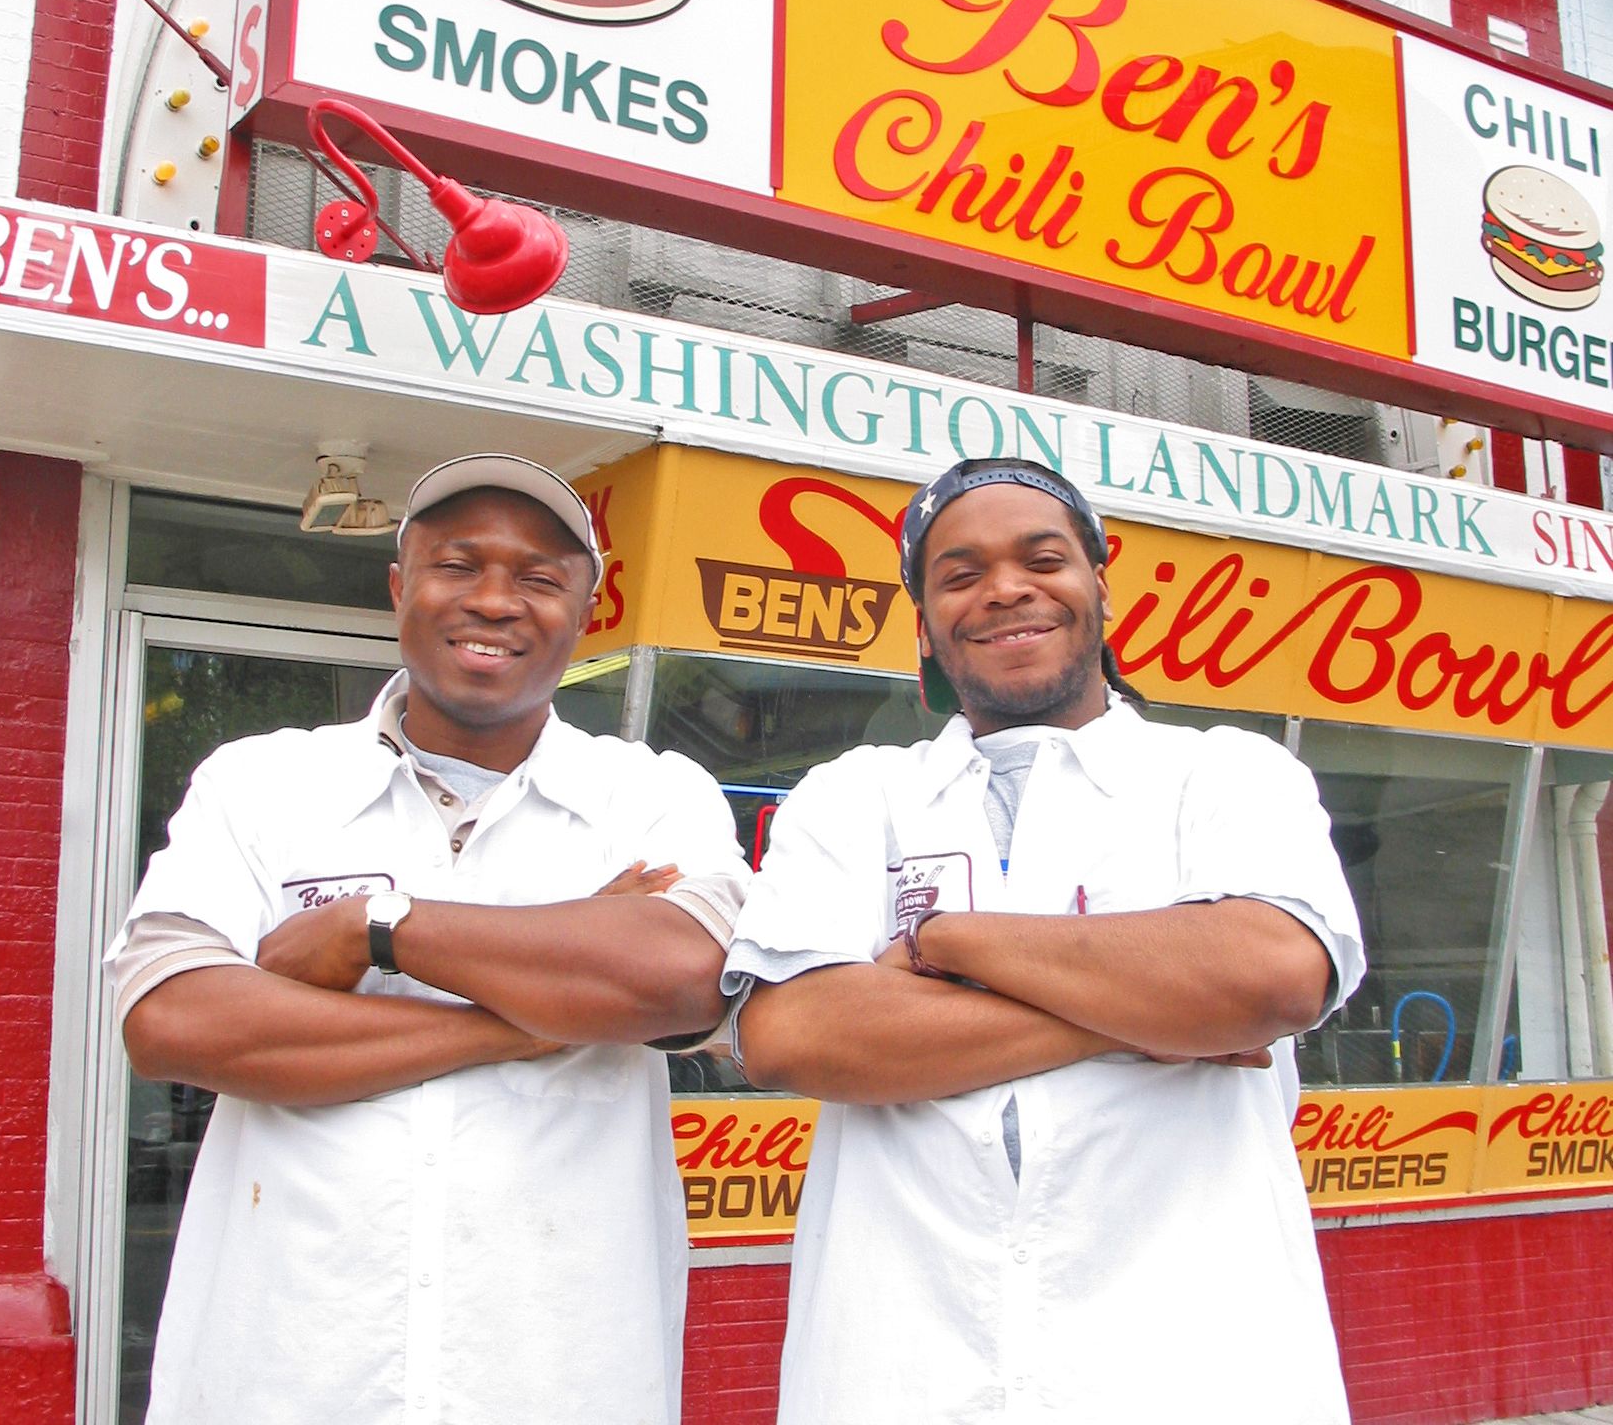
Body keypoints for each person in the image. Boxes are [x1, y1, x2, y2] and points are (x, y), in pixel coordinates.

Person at [108, 453, 750, 1425]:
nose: (496, 600)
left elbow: (684, 980)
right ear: (401, 586)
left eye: (539, 578)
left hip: (557, 1379)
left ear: (587, 609)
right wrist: (542, 1015)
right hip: (282, 1376)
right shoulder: (262, 784)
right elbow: (173, 1022)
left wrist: (377, 930)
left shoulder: (653, 795)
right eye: (459, 566)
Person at [724, 457, 1365, 1425]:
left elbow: (1269, 977)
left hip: (1197, 1367)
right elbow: (792, 1036)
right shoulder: (858, 794)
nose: (1006, 590)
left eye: (1043, 558)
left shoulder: (1227, 774)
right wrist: (1151, 1011)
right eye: (961, 573)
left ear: (1099, 585)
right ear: (927, 624)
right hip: (904, 1368)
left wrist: (949, 940)